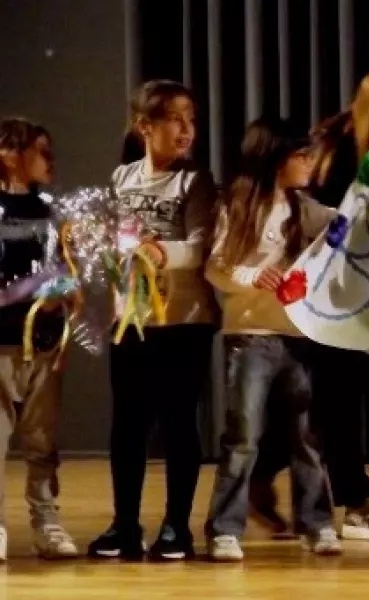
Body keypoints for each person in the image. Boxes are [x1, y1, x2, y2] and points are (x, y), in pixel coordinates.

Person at [248, 64, 369, 541]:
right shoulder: (342, 153)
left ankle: (257, 475)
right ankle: (356, 501)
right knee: (339, 396)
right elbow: (334, 228)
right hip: (319, 299)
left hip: (356, 296)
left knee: (325, 404)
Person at [201, 116, 343, 561]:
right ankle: (225, 528)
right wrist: (250, 275)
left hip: (298, 337)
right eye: (302, 155)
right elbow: (215, 266)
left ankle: (316, 523)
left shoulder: (305, 207)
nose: (309, 163)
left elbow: (350, 227)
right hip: (250, 338)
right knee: (243, 436)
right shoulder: (239, 206)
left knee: (306, 436)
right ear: (278, 158)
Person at [89, 80, 219, 561]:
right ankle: (124, 525)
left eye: (191, 119)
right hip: (133, 321)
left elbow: (202, 247)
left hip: (184, 321)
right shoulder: (122, 179)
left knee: (178, 423)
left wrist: (159, 251)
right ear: (146, 126)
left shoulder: (194, 182)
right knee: (127, 425)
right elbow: (110, 246)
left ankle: (176, 527)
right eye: (175, 119)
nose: (186, 129)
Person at [0, 117, 80, 561]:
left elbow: (65, 272)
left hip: (44, 346)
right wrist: (31, 286)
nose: (50, 160)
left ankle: (46, 520)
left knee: (42, 441)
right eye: (40, 150)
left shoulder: (52, 212)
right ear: (9, 154)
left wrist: (63, 289)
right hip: (1, 345)